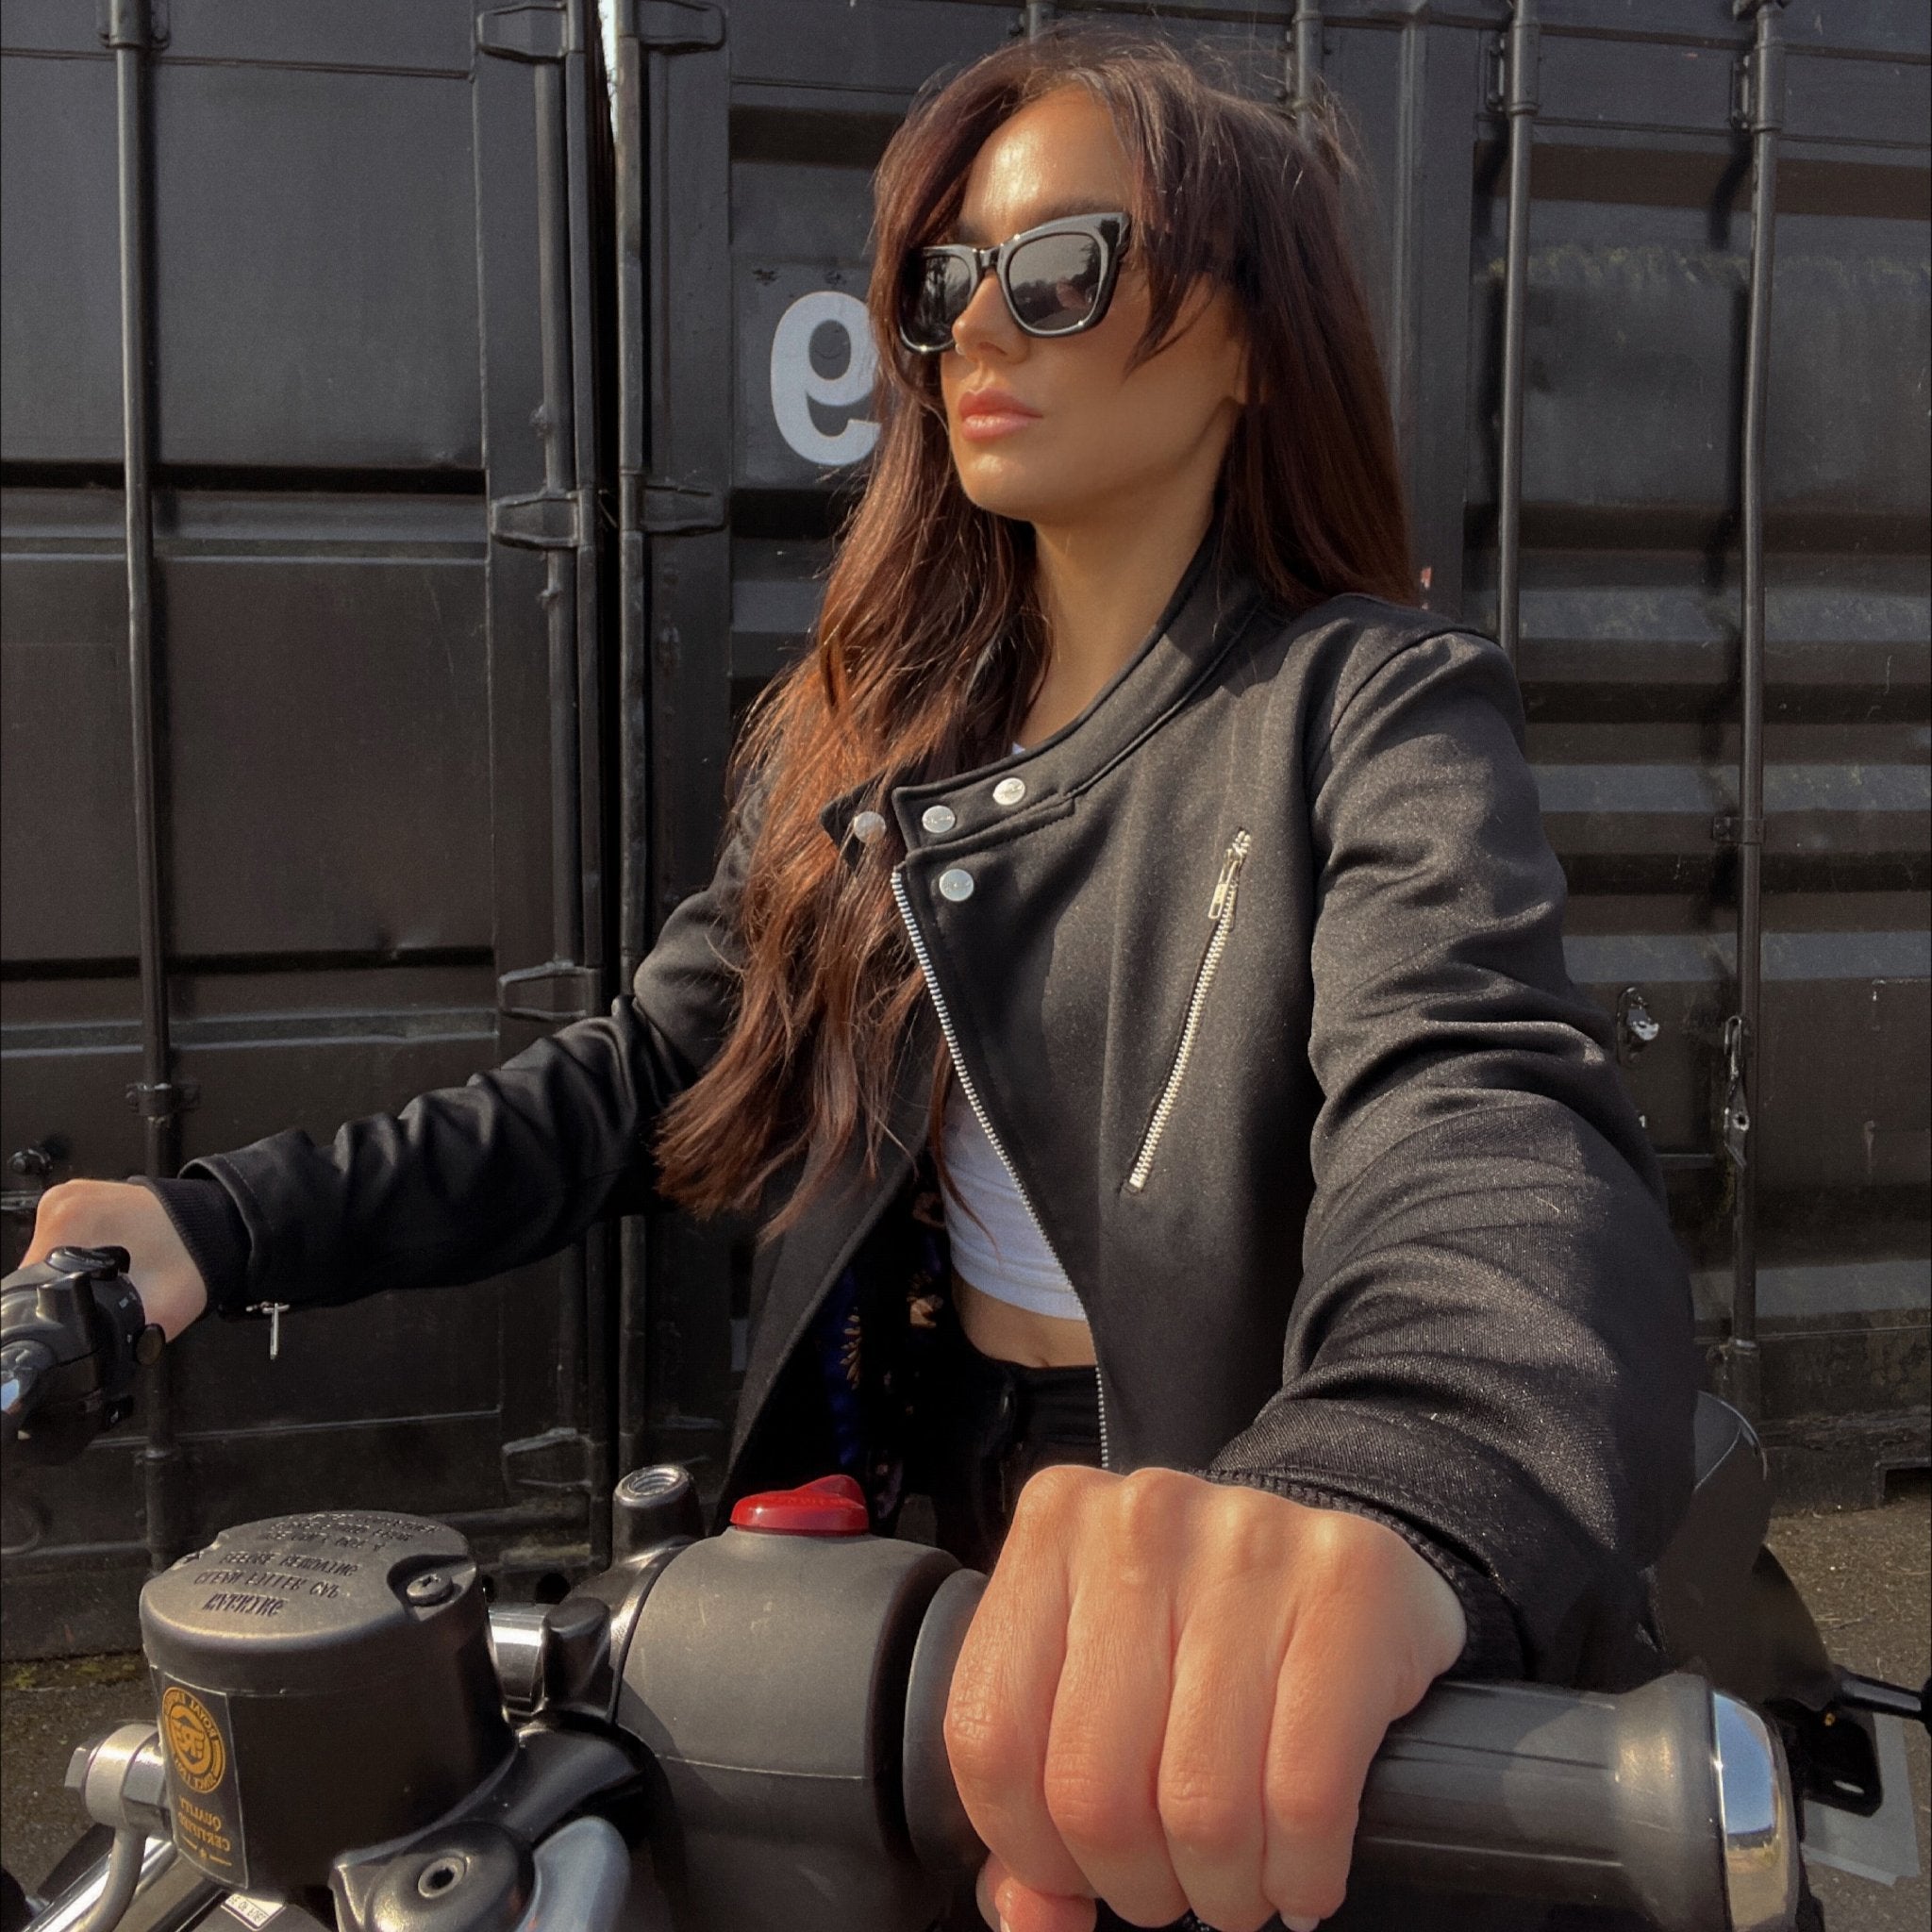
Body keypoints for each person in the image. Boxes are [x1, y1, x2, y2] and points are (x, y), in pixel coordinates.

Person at [25, 28, 1695, 1932]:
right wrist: (208, 1225)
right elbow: (640, 1079)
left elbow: (1480, 1113)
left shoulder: (1371, 709)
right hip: (904, 1486)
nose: (982, 326)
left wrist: (1391, 1479)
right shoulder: (868, 740)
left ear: (1245, 338)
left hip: (1206, 1521)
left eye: (1064, 266)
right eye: (940, 281)